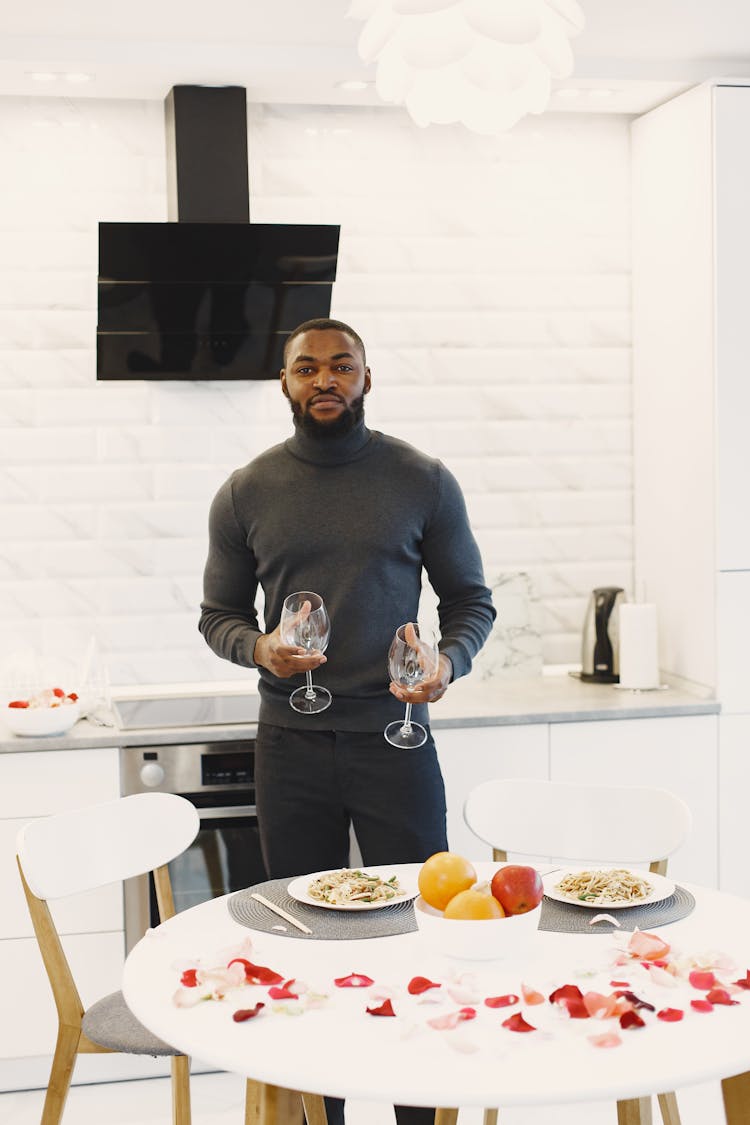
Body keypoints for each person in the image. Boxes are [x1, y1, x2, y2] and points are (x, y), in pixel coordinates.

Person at [199, 317, 495, 1125]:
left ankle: (419, 1112)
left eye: (341, 366)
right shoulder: (246, 490)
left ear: (368, 378)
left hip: (397, 742)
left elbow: (471, 601)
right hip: (289, 744)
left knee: (420, 935)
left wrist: (446, 661)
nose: (324, 379)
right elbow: (217, 616)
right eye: (307, 368)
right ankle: (317, 1114)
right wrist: (260, 647)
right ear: (285, 385)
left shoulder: (423, 479)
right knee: (301, 938)